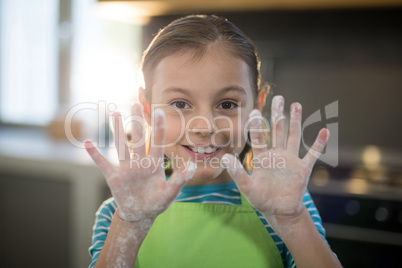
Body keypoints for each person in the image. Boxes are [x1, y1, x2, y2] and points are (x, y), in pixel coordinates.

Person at [85, 15, 342, 268]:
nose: (205, 126)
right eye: (180, 104)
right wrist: (129, 225)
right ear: (148, 109)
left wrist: (293, 221)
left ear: (257, 106)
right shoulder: (119, 213)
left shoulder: (287, 204)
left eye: (227, 104)